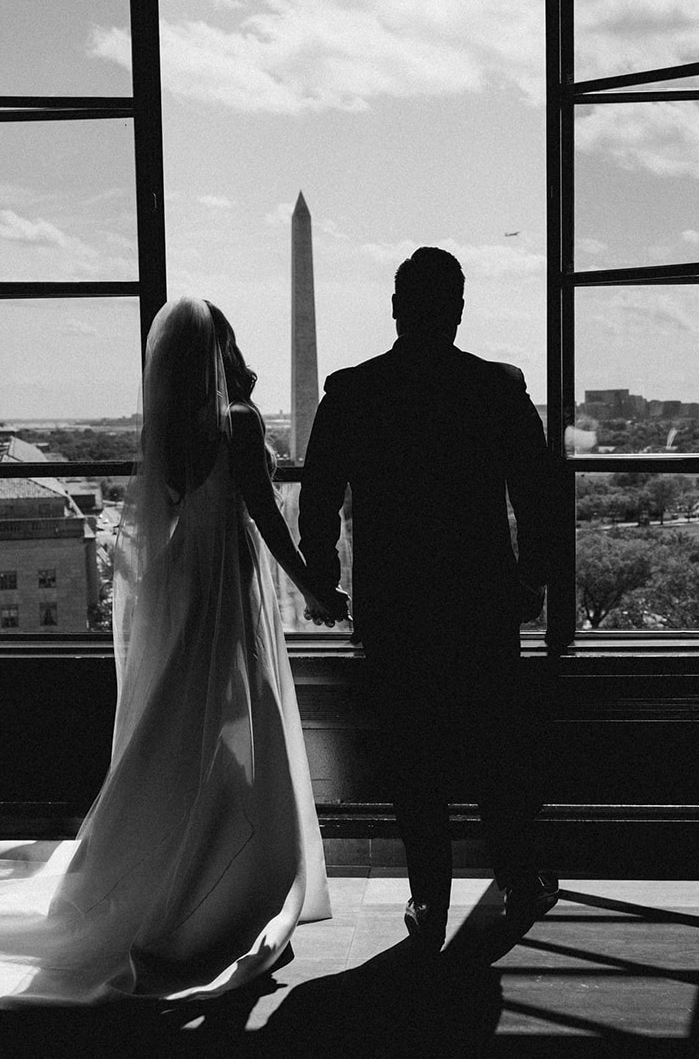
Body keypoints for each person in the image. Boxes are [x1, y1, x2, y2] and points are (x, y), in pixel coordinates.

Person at [0, 298, 345, 1008]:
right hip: (226, 584)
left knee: (183, 724)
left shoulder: (167, 427)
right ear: (218, 350)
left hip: (190, 578)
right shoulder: (237, 423)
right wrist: (313, 584)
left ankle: (183, 861)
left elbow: (162, 518)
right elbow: (267, 521)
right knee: (237, 721)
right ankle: (229, 874)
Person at [298, 246, 560, 953]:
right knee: (495, 745)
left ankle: (428, 897)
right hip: (479, 599)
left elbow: (318, 496)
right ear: (458, 310)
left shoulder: (351, 392)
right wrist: (533, 577)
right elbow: (537, 492)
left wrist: (325, 575)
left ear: (395, 308)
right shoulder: (497, 387)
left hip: (395, 605)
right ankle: (518, 875)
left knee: (413, 754)